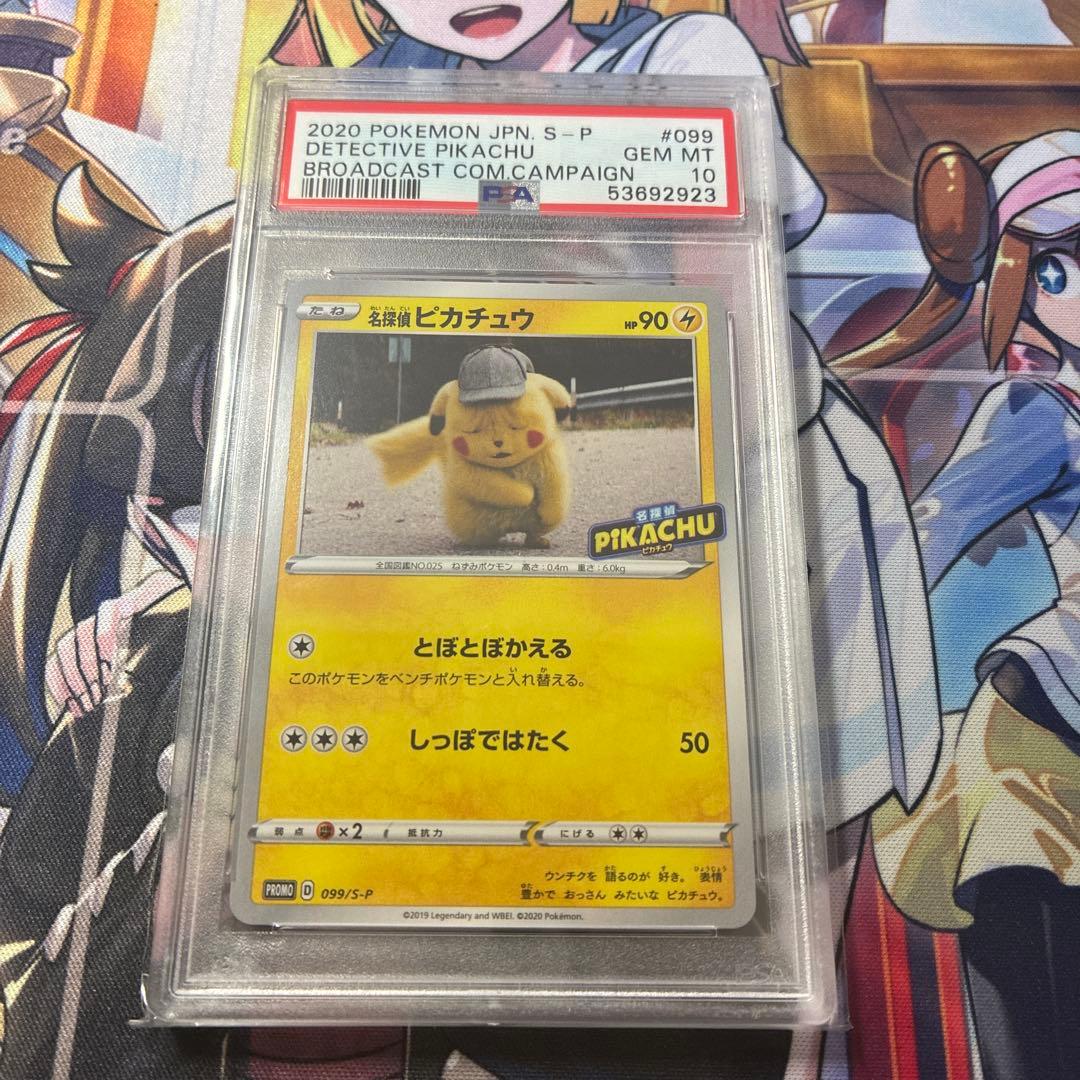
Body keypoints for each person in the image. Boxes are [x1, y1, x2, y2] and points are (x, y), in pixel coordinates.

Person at [835, 129, 1080, 1080]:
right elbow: (927, 535)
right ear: (1022, 281)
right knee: (1041, 1001)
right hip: (1041, 729)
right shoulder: (1038, 412)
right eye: (1059, 270)